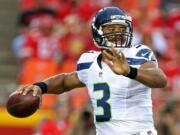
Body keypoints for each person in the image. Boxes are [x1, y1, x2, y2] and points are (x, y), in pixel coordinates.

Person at [13, 7, 167, 135]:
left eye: (122, 28)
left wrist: (130, 72)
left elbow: (160, 79)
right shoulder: (89, 62)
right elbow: (65, 81)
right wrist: (41, 87)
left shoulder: (138, 53)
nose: (118, 33)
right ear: (97, 32)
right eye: (111, 28)